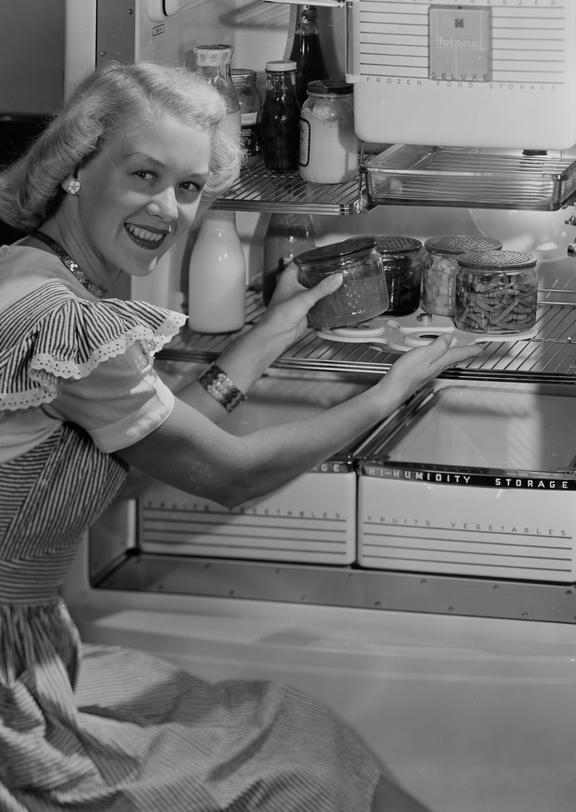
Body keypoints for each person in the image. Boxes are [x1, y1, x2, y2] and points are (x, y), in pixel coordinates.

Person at [0, 61, 480, 812]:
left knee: (298, 734)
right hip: (10, 679)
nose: (168, 208)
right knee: (299, 762)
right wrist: (395, 388)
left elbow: (134, 458)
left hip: (31, 646)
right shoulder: (60, 317)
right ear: (73, 168)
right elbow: (231, 476)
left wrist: (275, 328)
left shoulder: (37, 277)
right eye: (143, 174)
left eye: (189, 187)